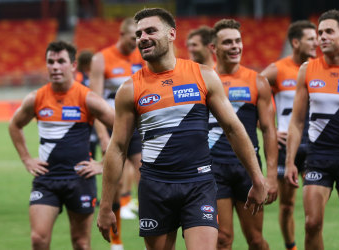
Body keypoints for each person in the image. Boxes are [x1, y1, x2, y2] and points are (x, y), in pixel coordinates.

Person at [97, 8, 268, 250]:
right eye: (138, 33)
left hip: (198, 184)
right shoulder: (129, 89)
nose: (142, 37)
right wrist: (106, 207)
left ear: (171, 34)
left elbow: (233, 128)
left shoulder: (203, 76)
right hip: (154, 186)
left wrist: (258, 178)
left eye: (150, 31)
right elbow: (117, 148)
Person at [8, 41, 114, 250]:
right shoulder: (36, 98)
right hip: (46, 180)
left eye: (61, 61)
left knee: (81, 243)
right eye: (51, 62)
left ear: (73, 65)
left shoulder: (87, 98)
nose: (55, 67)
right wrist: (26, 158)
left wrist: (102, 163)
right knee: (38, 239)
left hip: (80, 180)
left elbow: (122, 127)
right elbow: (15, 125)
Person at [285, 9, 339, 250]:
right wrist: (290, 161)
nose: (322, 37)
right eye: (320, 33)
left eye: (329, 31)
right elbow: (297, 121)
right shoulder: (307, 70)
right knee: (311, 223)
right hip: (318, 157)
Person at [209, 19, 278, 250]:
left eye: (238, 41)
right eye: (227, 42)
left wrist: (271, 176)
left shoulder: (258, 82)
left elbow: (269, 131)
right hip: (213, 169)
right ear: (214, 48)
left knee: (256, 240)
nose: (235, 46)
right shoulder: (204, 81)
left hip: (248, 168)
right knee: (222, 238)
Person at [260, 20, 318, 250]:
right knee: (286, 206)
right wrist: (270, 129)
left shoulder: (319, 69)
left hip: (315, 144)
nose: (317, 42)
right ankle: (291, 247)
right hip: (287, 146)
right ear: (296, 42)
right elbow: (252, 98)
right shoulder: (277, 69)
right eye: (311, 39)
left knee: (314, 210)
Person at [89, 17, 143, 249]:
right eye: (133, 38)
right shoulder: (101, 59)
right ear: (121, 34)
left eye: (139, 38)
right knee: (115, 181)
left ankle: (151, 230)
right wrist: (102, 134)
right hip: (112, 128)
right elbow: (94, 100)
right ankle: (116, 241)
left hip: (138, 126)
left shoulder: (142, 56)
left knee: (147, 175)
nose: (137, 42)